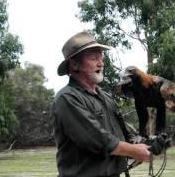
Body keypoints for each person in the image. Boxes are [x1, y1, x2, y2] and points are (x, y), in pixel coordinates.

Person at [52, 31, 151, 177]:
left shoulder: (106, 98)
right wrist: (134, 151)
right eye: (93, 58)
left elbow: (123, 136)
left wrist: (148, 145)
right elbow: (99, 140)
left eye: (101, 58)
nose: (101, 63)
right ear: (74, 65)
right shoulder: (67, 98)